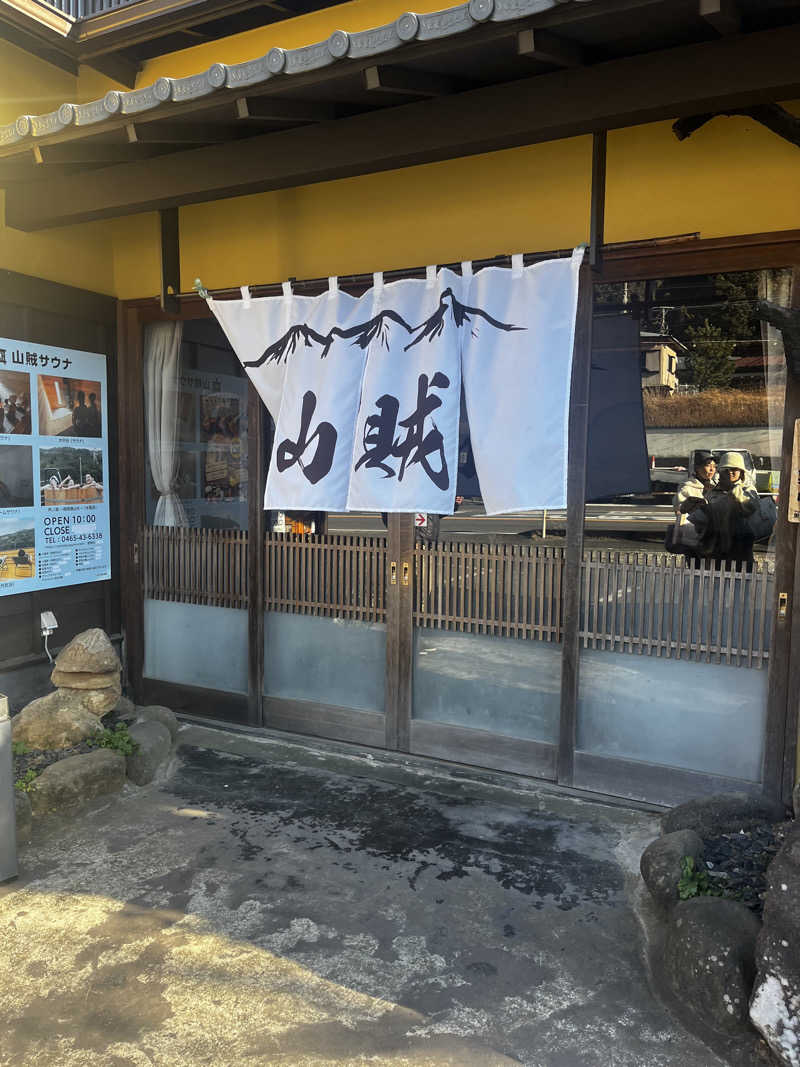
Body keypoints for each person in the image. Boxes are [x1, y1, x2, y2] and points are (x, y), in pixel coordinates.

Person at [701, 451, 760, 566]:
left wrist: (734, 491)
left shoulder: (748, 490)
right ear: (720, 472)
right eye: (726, 470)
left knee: (742, 580)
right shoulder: (713, 493)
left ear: (741, 472)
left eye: (734, 469)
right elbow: (706, 517)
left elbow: (750, 508)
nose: (730, 473)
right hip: (716, 548)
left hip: (741, 547)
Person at [669, 450, 717, 559]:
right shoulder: (687, 487)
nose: (711, 469)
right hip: (692, 538)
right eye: (708, 465)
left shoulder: (716, 487)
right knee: (696, 569)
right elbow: (679, 509)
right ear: (697, 468)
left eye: (714, 466)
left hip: (712, 539)